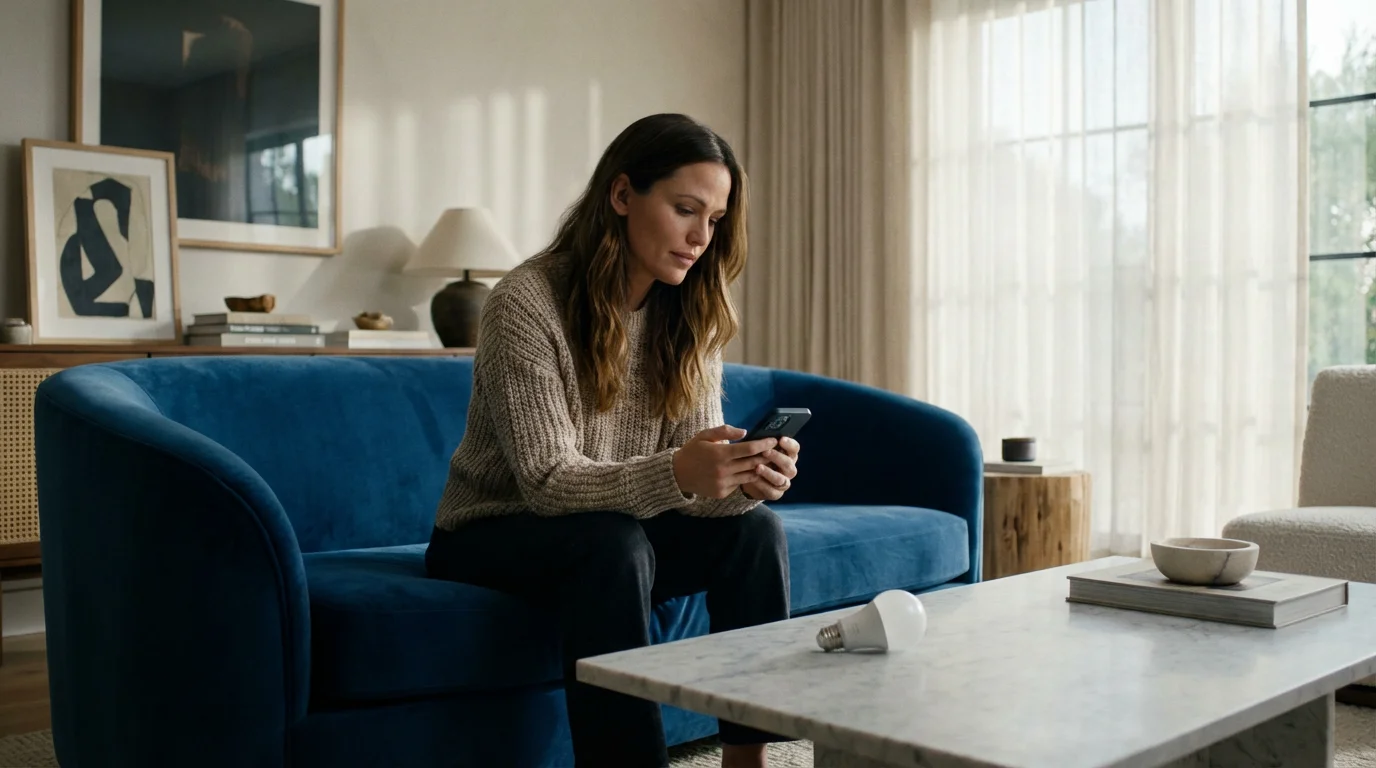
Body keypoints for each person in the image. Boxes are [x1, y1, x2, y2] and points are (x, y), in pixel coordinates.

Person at [425, 113, 800, 768]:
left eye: (713, 220)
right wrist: (682, 474)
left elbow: (690, 490)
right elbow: (546, 481)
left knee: (756, 533)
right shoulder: (525, 302)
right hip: (491, 531)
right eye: (686, 210)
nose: (699, 237)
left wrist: (738, 481)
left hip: (617, 530)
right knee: (612, 544)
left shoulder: (689, 311)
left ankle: (749, 760)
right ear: (623, 196)